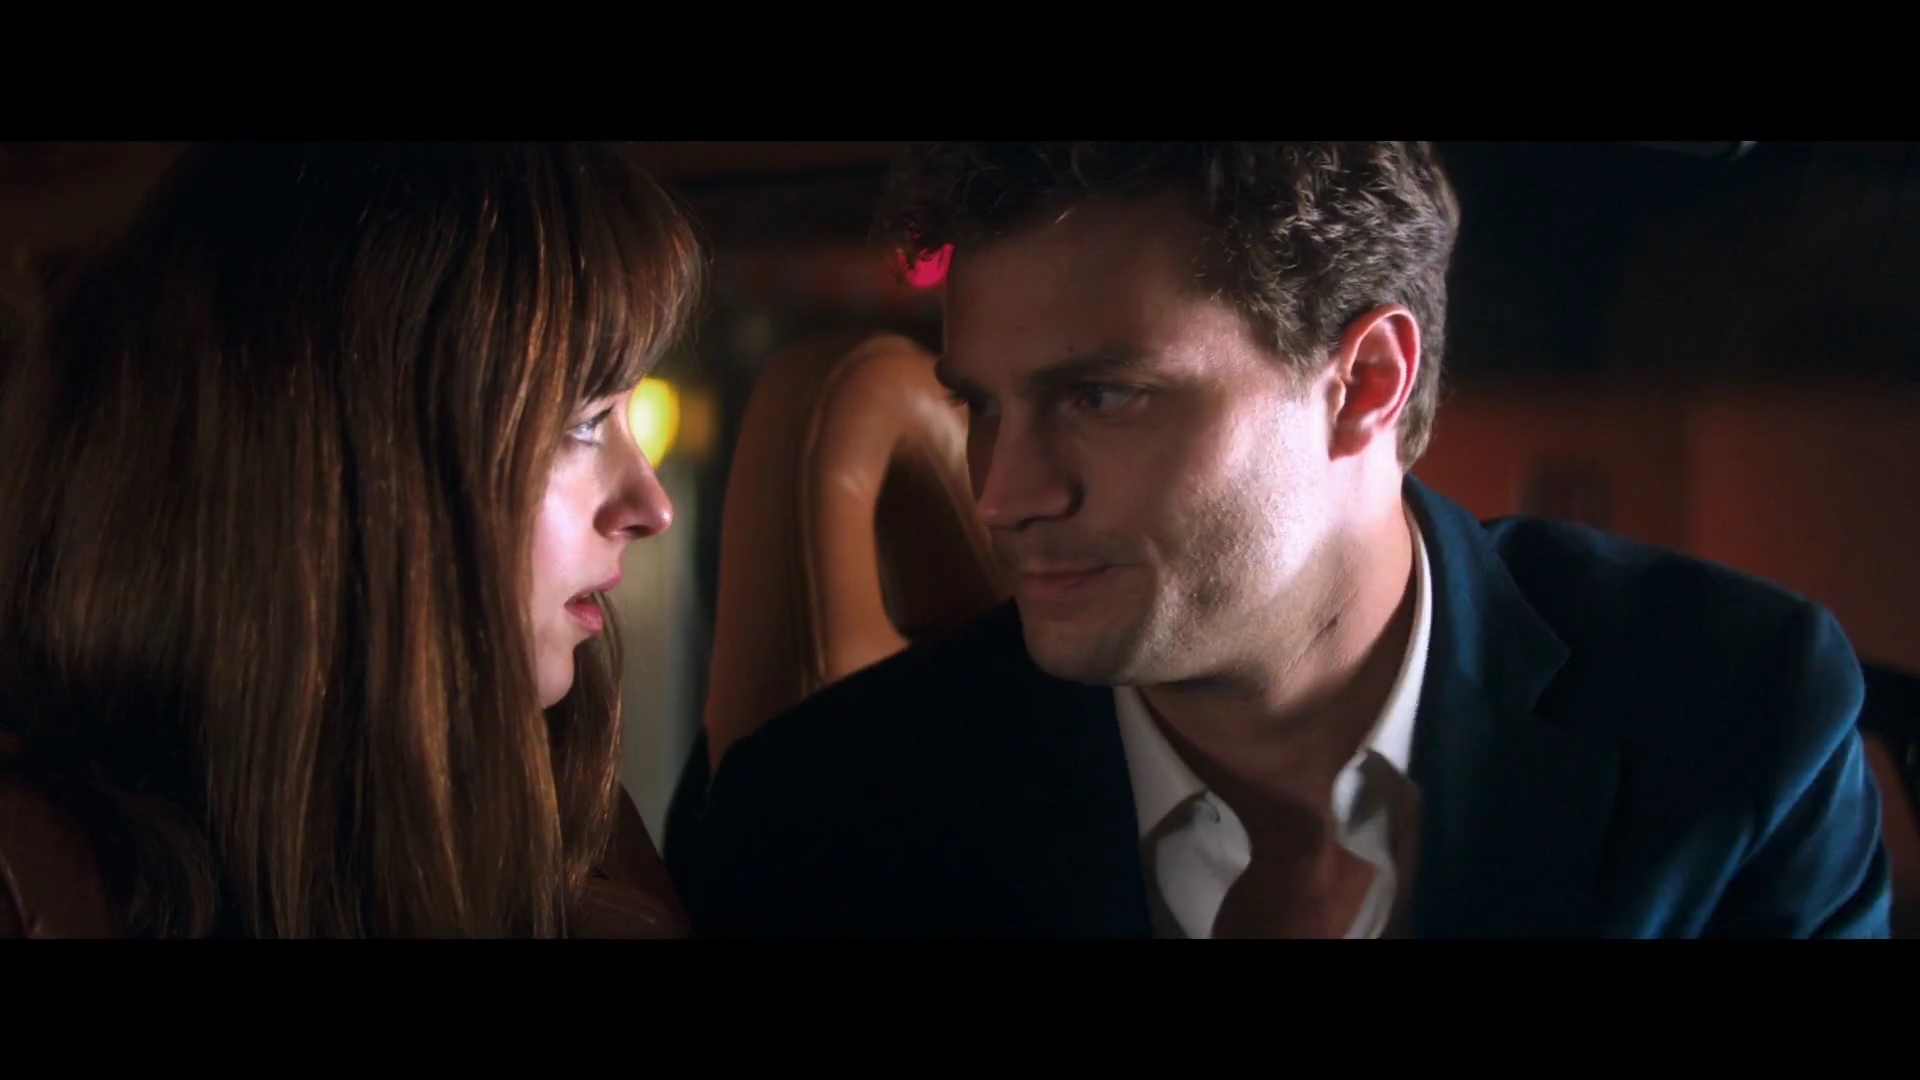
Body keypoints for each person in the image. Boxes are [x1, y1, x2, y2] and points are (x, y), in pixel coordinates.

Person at [686, 142, 1890, 938]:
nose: (1004, 494)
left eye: (1102, 396)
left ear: (1364, 383)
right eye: (983, 407)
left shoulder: (1730, 715)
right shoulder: (828, 820)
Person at [0, 143, 703, 937]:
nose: (652, 506)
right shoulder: (40, 885)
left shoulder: (579, 838)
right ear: (347, 469)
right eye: (584, 422)